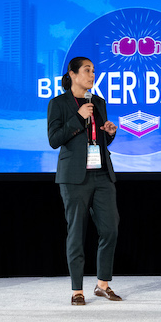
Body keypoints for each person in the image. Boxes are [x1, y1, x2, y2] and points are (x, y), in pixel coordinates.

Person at [47, 56, 120, 306]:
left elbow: (98, 140)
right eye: (87, 70)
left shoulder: (98, 102)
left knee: (110, 229)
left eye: (93, 71)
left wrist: (109, 134)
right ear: (73, 74)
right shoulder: (58, 104)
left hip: (101, 173)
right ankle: (77, 290)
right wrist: (78, 117)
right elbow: (54, 139)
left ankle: (102, 285)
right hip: (74, 177)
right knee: (76, 232)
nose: (92, 75)